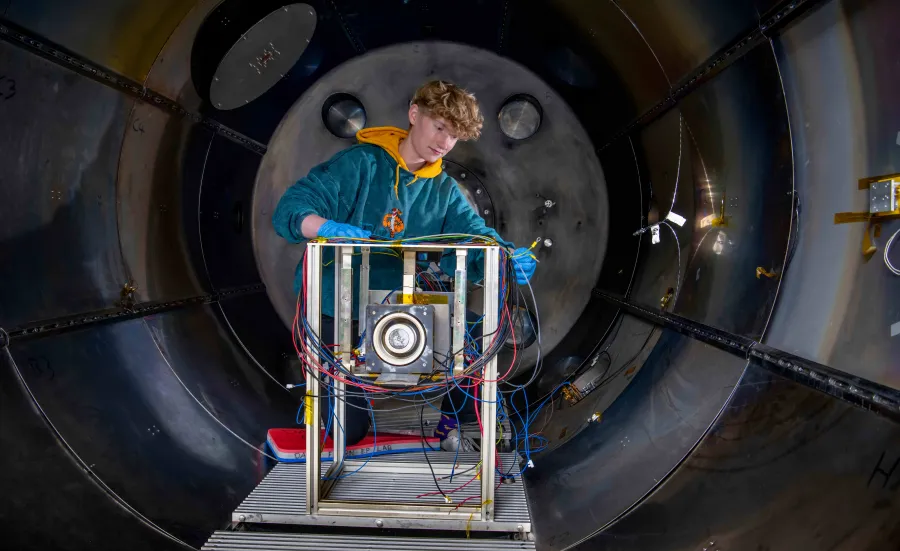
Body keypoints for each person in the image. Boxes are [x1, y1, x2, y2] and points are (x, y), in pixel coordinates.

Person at [273, 80, 536, 445]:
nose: (444, 142)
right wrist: (326, 227)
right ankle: (323, 403)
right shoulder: (361, 164)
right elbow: (292, 206)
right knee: (348, 433)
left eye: (454, 135)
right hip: (339, 306)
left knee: (478, 335)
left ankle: (450, 423)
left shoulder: (443, 189)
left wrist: (507, 256)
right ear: (415, 114)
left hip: (397, 305)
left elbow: (474, 234)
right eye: (439, 127)